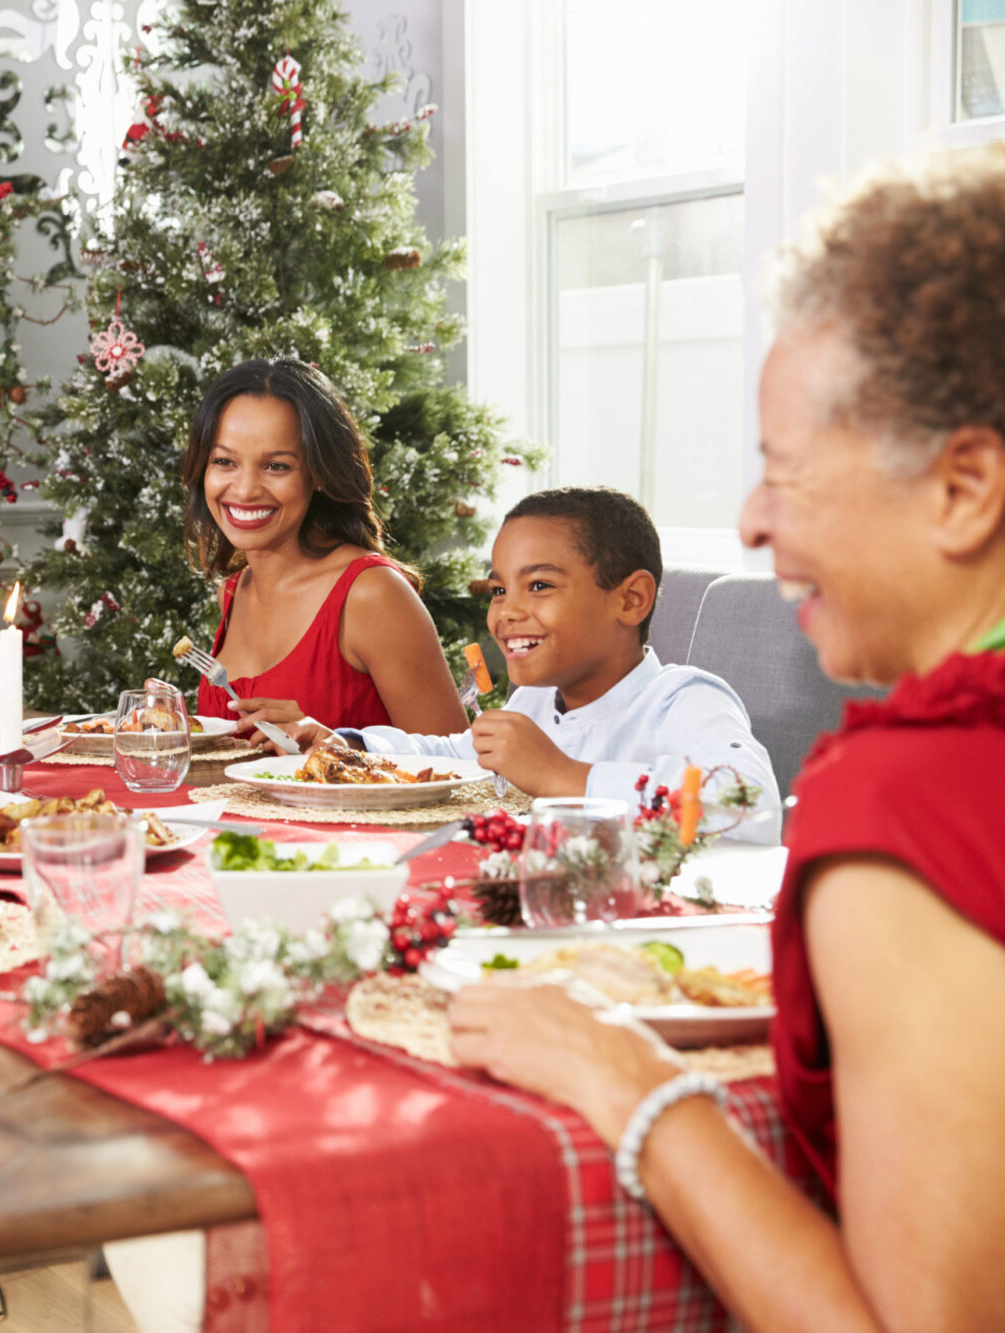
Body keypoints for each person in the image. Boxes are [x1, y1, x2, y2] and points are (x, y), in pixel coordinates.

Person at [449, 146, 1005, 1329]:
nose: (750, 522)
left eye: (785, 475)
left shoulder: (906, 800)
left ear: (962, 488)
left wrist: (626, 1078)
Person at [282, 485, 781, 840]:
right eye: (499, 590)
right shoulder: (537, 700)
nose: (507, 612)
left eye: (539, 585)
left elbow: (751, 802)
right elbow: (458, 756)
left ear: (631, 600)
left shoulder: (682, 700)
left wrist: (563, 775)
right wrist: (351, 744)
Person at [180, 359, 468, 736]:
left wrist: (339, 747)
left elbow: (461, 770)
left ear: (317, 473)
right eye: (224, 461)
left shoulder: (371, 594)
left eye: (276, 466)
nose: (246, 489)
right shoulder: (233, 592)